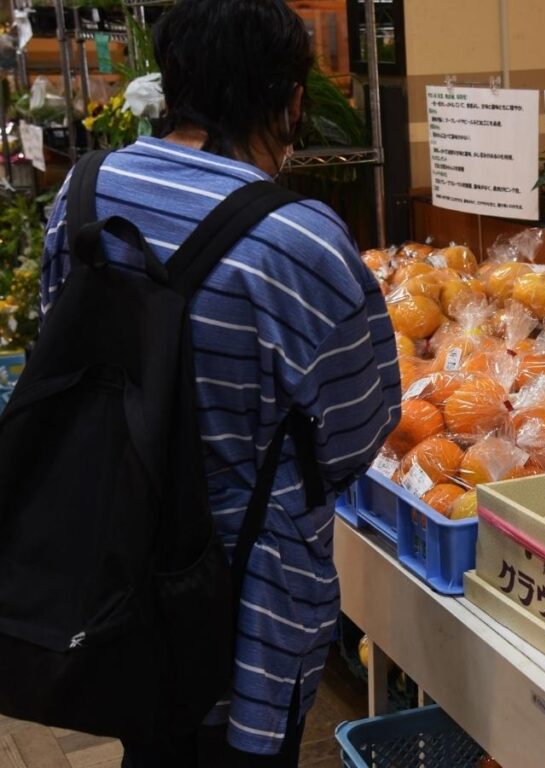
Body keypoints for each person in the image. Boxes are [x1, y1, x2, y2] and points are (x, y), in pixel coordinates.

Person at [39, 1, 401, 765]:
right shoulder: (299, 242)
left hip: (111, 569)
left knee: (148, 736)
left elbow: (65, 349)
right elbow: (357, 435)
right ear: (291, 100)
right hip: (245, 607)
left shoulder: (84, 192)